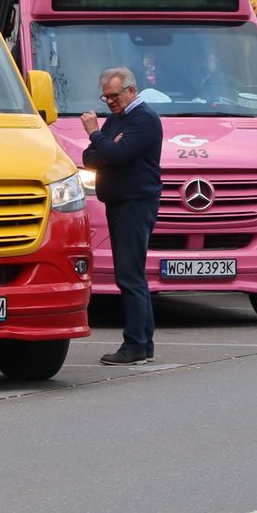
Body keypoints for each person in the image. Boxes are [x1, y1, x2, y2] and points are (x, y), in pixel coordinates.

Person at [80, 66, 164, 365]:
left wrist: (95, 135)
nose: (110, 102)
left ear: (131, 90)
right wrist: (104, 145)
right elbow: (90, 158)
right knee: (133, 275)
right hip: (120, 203)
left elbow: (116, 155)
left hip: (135, 204)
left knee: (129, 276)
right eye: (105, 97)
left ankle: (135, 345)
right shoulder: (118, 119)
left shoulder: (144, 119)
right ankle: (145, 343)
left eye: (114, 95)